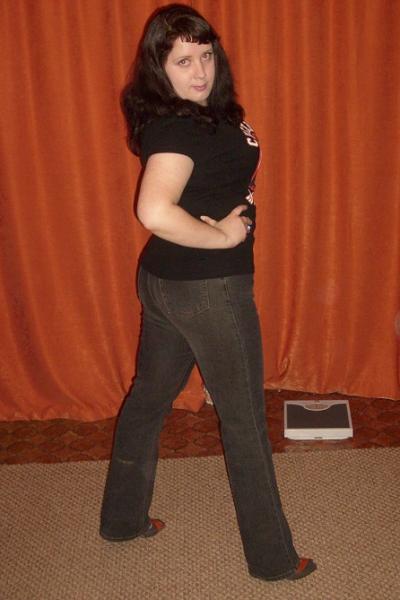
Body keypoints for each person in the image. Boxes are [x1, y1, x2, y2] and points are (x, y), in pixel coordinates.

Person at [100, 3, 316, 582]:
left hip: (169, 285)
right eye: (182, 61)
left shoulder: (204, 114)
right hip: (209, 290)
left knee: (148, 400)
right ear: (159, 68)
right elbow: (153, 210)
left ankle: (122, 520)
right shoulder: (175, 127)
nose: (199, 71)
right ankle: (273, 559)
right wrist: (221, 237)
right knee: (244, 421)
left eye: (205, 55)